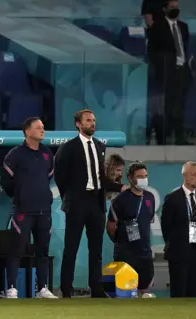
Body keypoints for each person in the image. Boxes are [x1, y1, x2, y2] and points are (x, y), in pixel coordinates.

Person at [53, 109, 127, 298]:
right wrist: (69, 198)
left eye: (94, 120)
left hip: (96, 202)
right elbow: (60, 177)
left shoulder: (100, 146)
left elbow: (101, 178)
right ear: (78, 124)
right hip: (77, 203)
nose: (93, 123)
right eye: (88, 120)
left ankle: (96, 288)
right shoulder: (68, 148)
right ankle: (66, 289)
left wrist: (121, 187)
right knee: (71, 247)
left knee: (96, 248)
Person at [1, 117, 58, 299]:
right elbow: (6, 183)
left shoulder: (48, 154)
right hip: (22, 211)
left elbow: (48, 177)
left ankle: (42, 288)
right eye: (38, 127)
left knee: (42, 251)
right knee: (16, 250)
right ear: (27, 132)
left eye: (43, 127)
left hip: (44, 211)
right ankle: (11, 288)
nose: (43, 130)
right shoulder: (15, 155)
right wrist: (21, 196)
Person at [106, 162, 156, 297]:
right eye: (139, 176)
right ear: (130, 178)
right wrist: (120, 242)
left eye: (145, 176)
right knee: (125, 294)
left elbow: (148, 220)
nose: (143, 179)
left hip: (145, 253)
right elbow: (110, 226)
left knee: (145, 292)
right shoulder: (119, 200)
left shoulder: (150, 197)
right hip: (125, 254)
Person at [161, 161, 196, 298]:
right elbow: (166, 227)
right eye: (194, 174)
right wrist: (174, 244)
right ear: (184, 176)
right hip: (178, 253)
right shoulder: (172, 198)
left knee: (193, 293)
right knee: (178, 293)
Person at [147, 0, 191, 145]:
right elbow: (152, 52)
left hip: (183, 70)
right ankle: (164, 138)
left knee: (180, 105)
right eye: (172, 7)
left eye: (177, 7)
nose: (175, 10)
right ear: (165, 9)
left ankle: (180, 137)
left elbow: (186, 48)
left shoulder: (183, 27)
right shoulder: (157, 28)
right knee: (167, 106)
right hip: (167, 71)